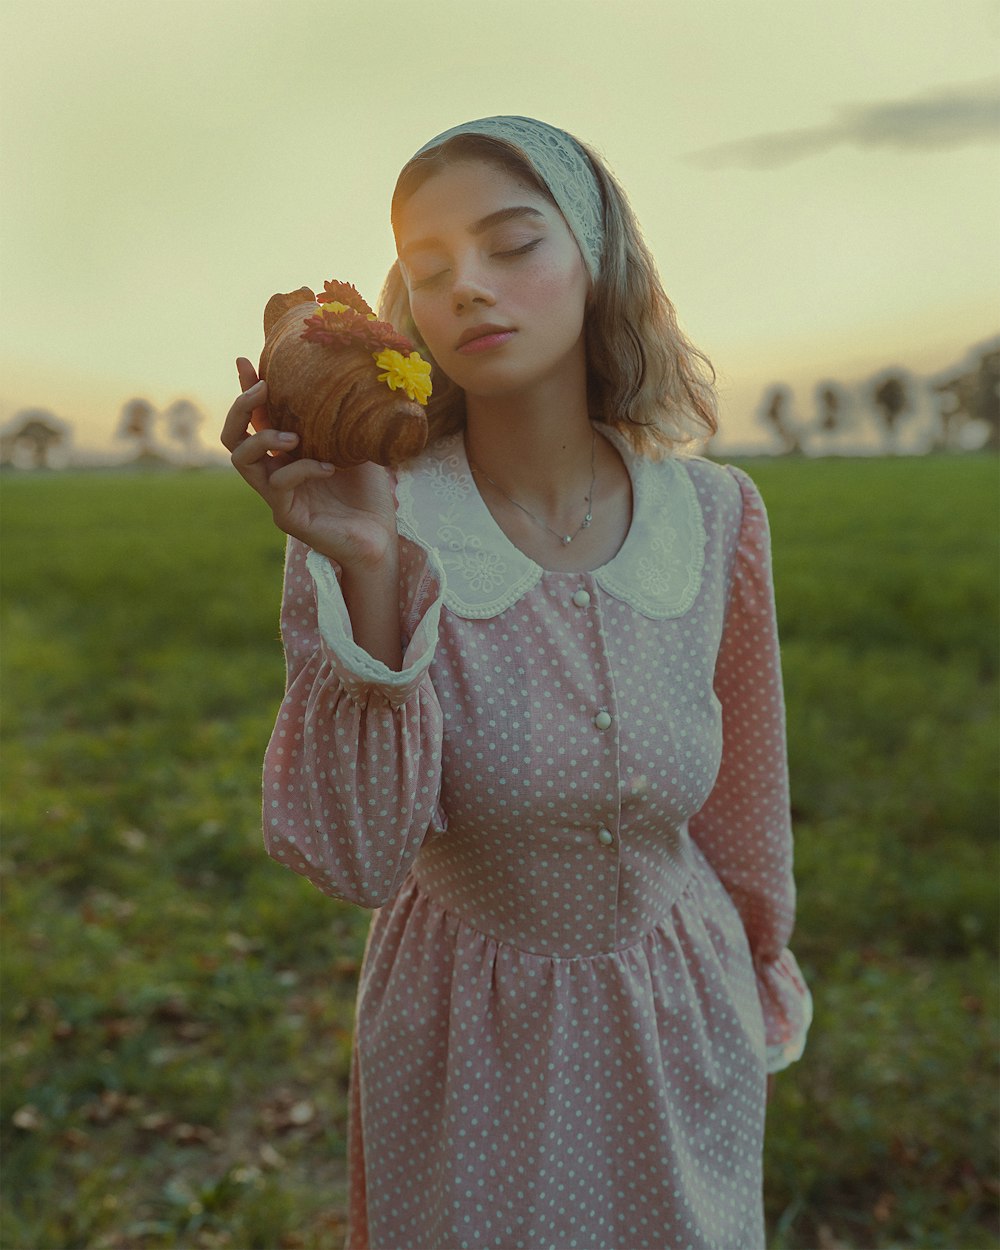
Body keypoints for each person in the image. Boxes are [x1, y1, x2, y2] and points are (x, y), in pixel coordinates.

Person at [221, 115, 812, 1250]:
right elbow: (356, 856)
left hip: (683, 1011)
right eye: (430, 268)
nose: (469, 289)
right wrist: (373, 569)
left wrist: (752, 966)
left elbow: (746, 796)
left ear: (597, 261)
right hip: (468, 1030)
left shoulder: (718, 514)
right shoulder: (371, 515)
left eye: (511, 244)